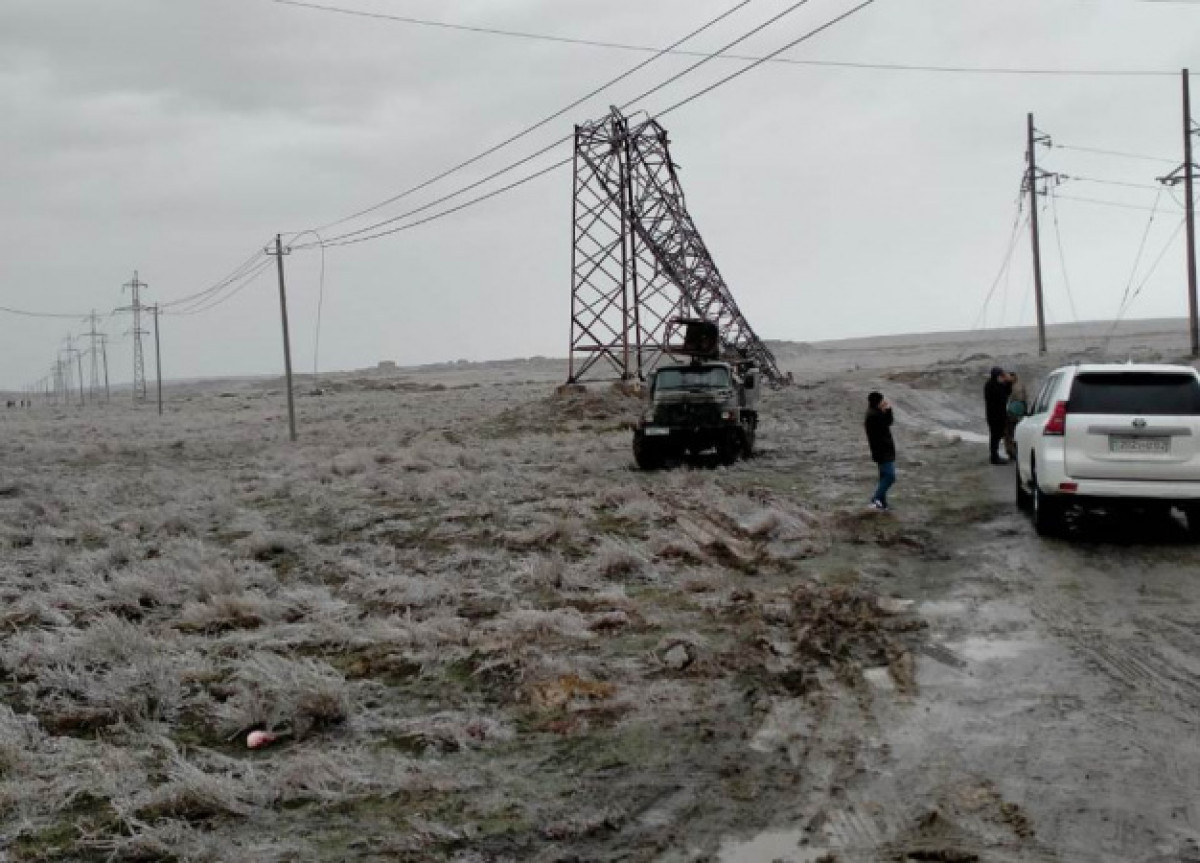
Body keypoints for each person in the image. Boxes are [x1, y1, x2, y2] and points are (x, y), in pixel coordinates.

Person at [864, 391, 896, 511]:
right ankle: (876, 500)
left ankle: (882, 503)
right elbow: (887, 423)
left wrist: (887, 410)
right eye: (882, 400)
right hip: (882, 451)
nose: (884, 402)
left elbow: (888, 423)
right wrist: (887, 410)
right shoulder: (874, 415)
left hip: (882, 451)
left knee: (884, 476)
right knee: (890, 476)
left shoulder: (874, 413)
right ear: (877, 402)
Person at [984, 366, 1012, 465]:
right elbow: (1003, 397)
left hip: (997, 415)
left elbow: (1007, 393)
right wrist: (1006, 382)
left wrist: (1008, 382)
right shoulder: (991, 386)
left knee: (997, 435)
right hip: (994, 416)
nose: (1002, 377)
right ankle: (994, 457)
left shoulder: (995, 384)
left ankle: (994, 456)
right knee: (995, 436)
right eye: (1001, 375)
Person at [1004, 371, 1029, 459]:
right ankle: (1010, 450)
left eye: (1012, 376)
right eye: (1010, 376)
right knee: (1009, 431)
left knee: (1016, 430)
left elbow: (1025, 396)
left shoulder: (1020, 385)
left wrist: (1026, 408)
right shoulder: (1007, 385)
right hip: (1010, 410)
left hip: (1019, 409)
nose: (1011, 378)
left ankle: (1016, 449)